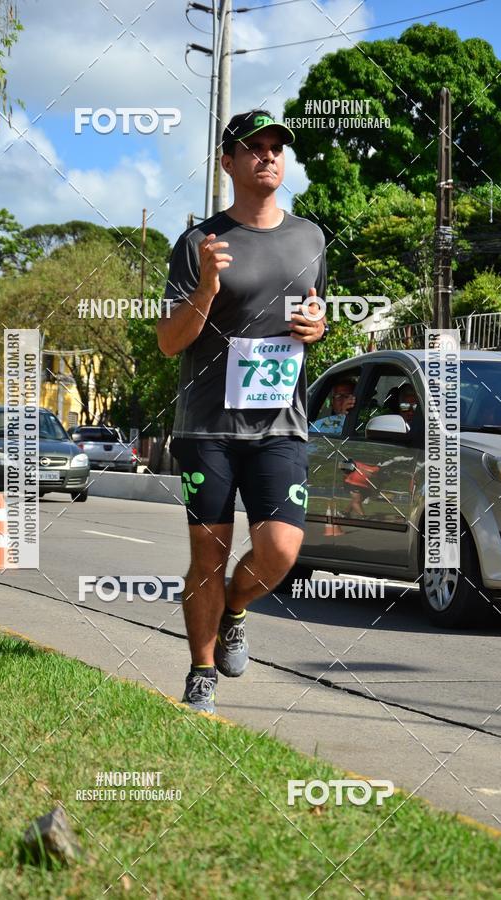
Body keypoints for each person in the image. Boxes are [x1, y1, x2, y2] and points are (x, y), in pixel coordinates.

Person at [157, 109, 327, 713]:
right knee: (208, 553)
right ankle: (201, 670)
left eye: (277, 147)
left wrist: (316, 327)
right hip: (207, 427)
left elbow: (314, 315)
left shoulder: (310, 238)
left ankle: (235, 608)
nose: (268, 157)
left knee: (281, 549)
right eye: (253, 148)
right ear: (228, 162)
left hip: (280, 422)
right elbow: (170, 341)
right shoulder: (198, 243)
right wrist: (205, 286)